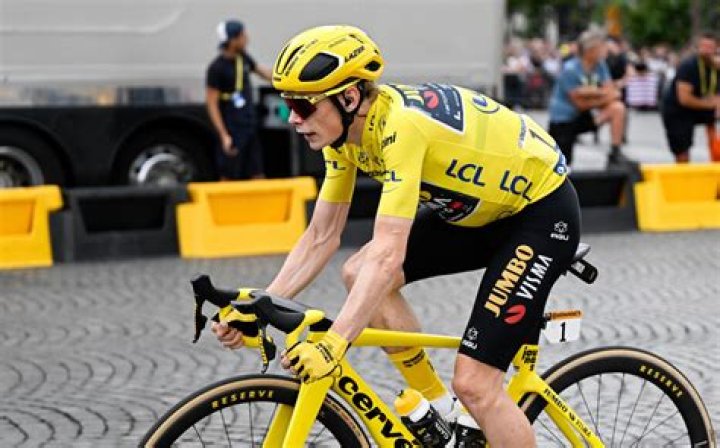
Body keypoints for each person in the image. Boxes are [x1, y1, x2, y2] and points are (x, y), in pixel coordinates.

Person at [212, 25, 581, 447]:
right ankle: (440, 412)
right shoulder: (342, 138)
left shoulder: (401, 128)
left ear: (349, 98)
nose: (293, 118)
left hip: (540, 214)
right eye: (288, 104)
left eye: (303, 105)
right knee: (358, 272)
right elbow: (321, 236)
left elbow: (389, 254)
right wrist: (261, 305)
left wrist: (333, 345)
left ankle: (470, 405)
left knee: (476, 384)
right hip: (480, 212)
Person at [548, 29, 629, 167]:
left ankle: (615, 152)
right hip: (564, 122)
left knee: (617, 108)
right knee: (563, 164)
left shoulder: (600, 66)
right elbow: (579, 103)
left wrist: (588, 92)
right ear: (590, 50)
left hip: (584, 115)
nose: (606, 50)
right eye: (602, 46)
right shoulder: (570, 69)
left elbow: (612, 92)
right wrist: (602, 94)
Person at [205, 19, 273, 180]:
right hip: (232, 129)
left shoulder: (243, 59)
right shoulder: (216, 68)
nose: (246, 38)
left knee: (257, 173)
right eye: (243, 35)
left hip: (248, 125)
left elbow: (264, 73)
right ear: (232, 40)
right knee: (229, 175)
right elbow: (212, 104)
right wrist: (224, 135)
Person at [660, 32, 719, 163]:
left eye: (710, 47)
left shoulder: (715, 67)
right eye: (703, 46)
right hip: (677, 109)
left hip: (701, 105)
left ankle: (716, 156)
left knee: (712, 119)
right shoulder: (688, 65)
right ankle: (683, 169)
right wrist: (711, 104)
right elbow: (684, 99)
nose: (706, 51)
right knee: (682, 148)